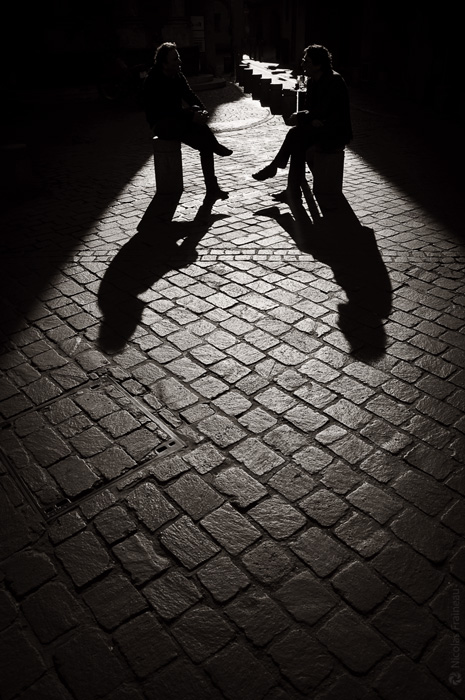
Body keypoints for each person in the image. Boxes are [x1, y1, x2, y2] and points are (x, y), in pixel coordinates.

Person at [252, 44, 352, 196]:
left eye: (307, 61)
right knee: (298, 140)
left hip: (335, 131)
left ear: (318, 65)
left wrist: (301, 116)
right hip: (319, 127)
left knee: (295, 135)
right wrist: (310, 119)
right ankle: (291, 188)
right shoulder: (312, 81)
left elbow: (325, 111)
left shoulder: (334, 81)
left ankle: (281, 174)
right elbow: (311, 109)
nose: (303, 64)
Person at [143, 42, 232, 200]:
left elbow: (189, 95)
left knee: (205, 142)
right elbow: (166, 110)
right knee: (196, 124)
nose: (179, 62)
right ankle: (216, 147)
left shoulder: (177, 75)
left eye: (178, 58)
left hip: (177, 120)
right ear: (164, 63)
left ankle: (212, 187)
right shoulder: (154, 80)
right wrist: (191, 116)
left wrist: (202, 110)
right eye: (175, 59)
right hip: (161, 124)